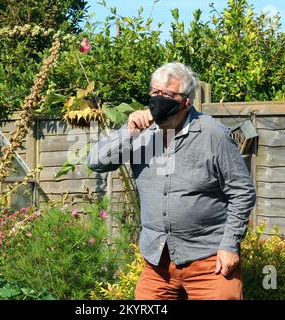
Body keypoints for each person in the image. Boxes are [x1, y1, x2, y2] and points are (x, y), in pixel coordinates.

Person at [87, 62, 256, 300]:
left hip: (209, 261)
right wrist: (128, 132)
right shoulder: (141, 132)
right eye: (155, 92)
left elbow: (242, 191)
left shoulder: (212, 134)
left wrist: (229, 246)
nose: (159, 99)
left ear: (186, 100)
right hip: (158, 263)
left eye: (168, 94)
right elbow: (96, 162)